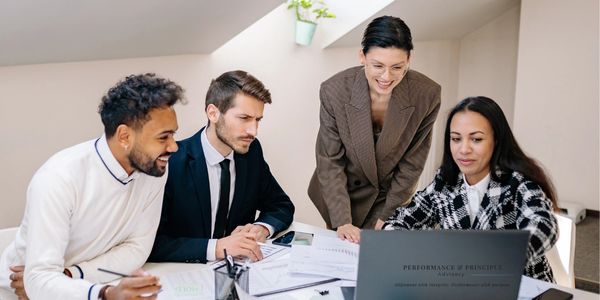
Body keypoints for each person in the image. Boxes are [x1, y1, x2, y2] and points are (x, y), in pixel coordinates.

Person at [0, 73, 185, 299]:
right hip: (17, 292)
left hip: (78, 286)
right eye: (163, 137)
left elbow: (137, 249)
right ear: (124, 136)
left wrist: (70, 275)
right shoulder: (59, 178)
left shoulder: (153, 170)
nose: (174, 146)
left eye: (173, 134)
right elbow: (39, 279)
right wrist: (104, 294)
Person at [384, 96, 558, 282]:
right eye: (456, 139)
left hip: (522, 288)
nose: (464, 149)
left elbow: (543, 224)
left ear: (496, 140)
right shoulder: (445, 182)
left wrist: (505, 256)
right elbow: (401, 220)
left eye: (476, 139)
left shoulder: (518, 182)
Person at [308, 16, 441, 243]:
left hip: (387, 196)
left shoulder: (427, 94)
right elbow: (330, 160)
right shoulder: (334, 91)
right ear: (362, 56)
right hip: (341, 194)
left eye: (397, 67)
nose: (386, 77)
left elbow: (413, 162)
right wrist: (342, 220)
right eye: (377, 66)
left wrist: (388, 216)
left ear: (409, 59)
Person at [148, 70, 294, 263]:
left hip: (241, 271)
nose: (253, 131)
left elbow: (281, 205)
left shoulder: (251, 152)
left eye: (257, 120)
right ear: (213, 113)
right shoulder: (170, 161)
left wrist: (262, 228)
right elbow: (152, 243)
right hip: (185, 275)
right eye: (244, 118)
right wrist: (216, 248)